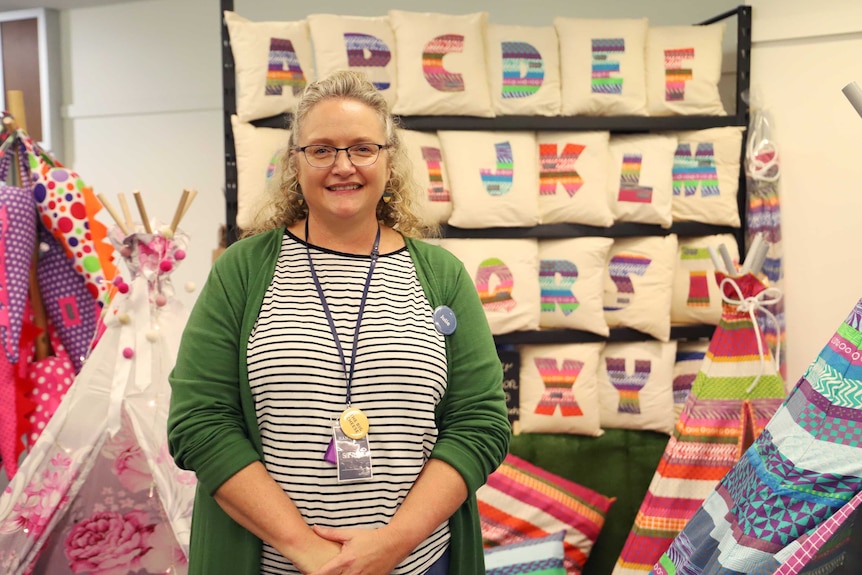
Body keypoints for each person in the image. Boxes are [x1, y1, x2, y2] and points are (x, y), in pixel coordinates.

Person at [167, 70, 510, 575]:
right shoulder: (240, 273)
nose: (342, 166)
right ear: (295, 162)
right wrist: (309, 551)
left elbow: (479, 423)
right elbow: (200, 423)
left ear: (389, 159)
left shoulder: (442, 276)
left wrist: (393, 543)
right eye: (321, 149)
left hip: (418, 563)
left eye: (362, 149)